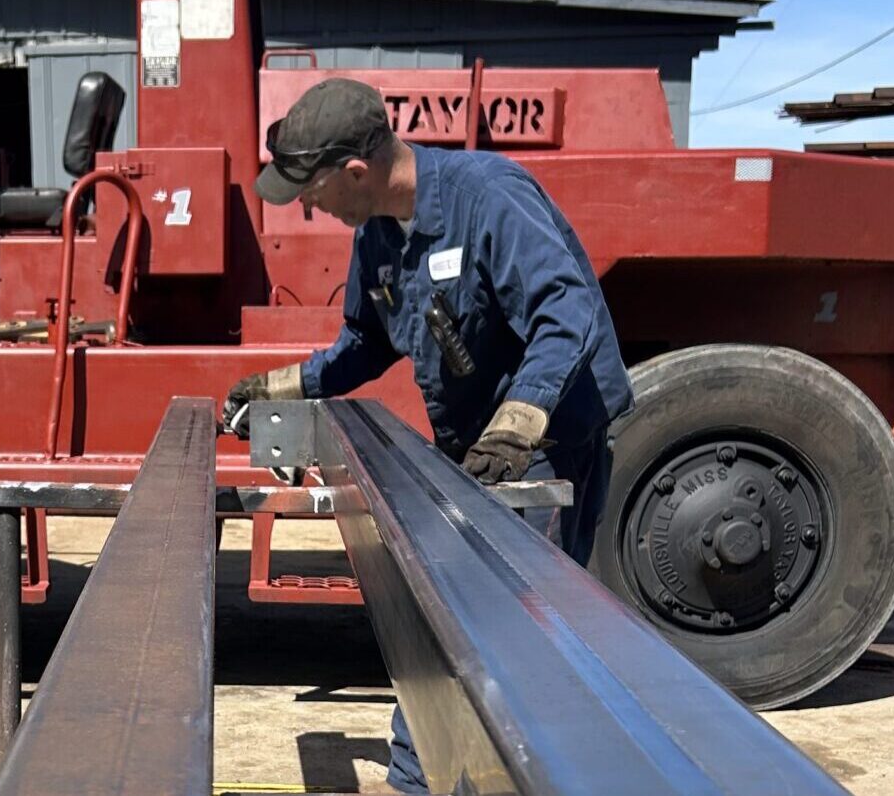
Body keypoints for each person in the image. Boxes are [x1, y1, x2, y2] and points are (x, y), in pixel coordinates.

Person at [226, 77, 633, 795]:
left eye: (310, 191)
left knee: (497, 634)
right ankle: (429, 777)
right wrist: (283, 386)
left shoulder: (487, 198)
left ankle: (444, 780)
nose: (309, 208)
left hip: (545, 449)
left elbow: (565, 314)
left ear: (355, 171)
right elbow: (365, 340)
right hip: (475, 456)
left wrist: (517, 425)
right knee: (453, 621)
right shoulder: (380, 233)